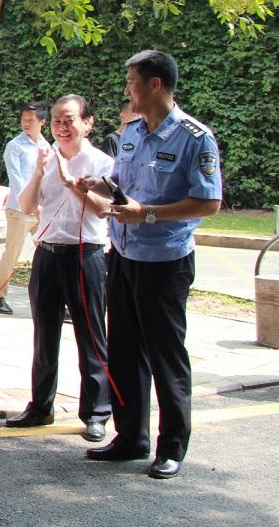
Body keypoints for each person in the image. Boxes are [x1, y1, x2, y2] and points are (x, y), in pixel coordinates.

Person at [77, 50, 222, 481]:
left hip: (165, 261)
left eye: (132, 82)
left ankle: (172, 446)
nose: (127, 90)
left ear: (155, 84)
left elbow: (209, 202)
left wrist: (149, 214)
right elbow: (124, 184)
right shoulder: (131, 132)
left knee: (165, 355)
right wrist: (100, 184)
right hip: (124, 256)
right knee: (123, 351)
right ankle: (131, 438)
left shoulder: (195, 138)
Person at [5, 95, 112, 442]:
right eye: (56, 122)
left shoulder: (102, 162)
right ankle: (40, 406)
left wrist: (70, 184)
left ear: (87, 123)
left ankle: (96, 412)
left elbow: (104, 209)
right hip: (47, 255)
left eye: (69, 120)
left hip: (85, 256)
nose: (62, 128)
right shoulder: (46, 157)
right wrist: (40, 172)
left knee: (91, 336)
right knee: (44, 335)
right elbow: (26, 205)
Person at [0, 101, 50, 314]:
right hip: (19, 209)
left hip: (42, 209)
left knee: (50, 254)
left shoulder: (47, 146)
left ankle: (54, 299)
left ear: (42, 122)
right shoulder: (14, 146)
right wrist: (32, 205)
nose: (26, 123)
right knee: (12, 254)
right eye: (24, 119)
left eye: (31, 120)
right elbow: (17, 181)